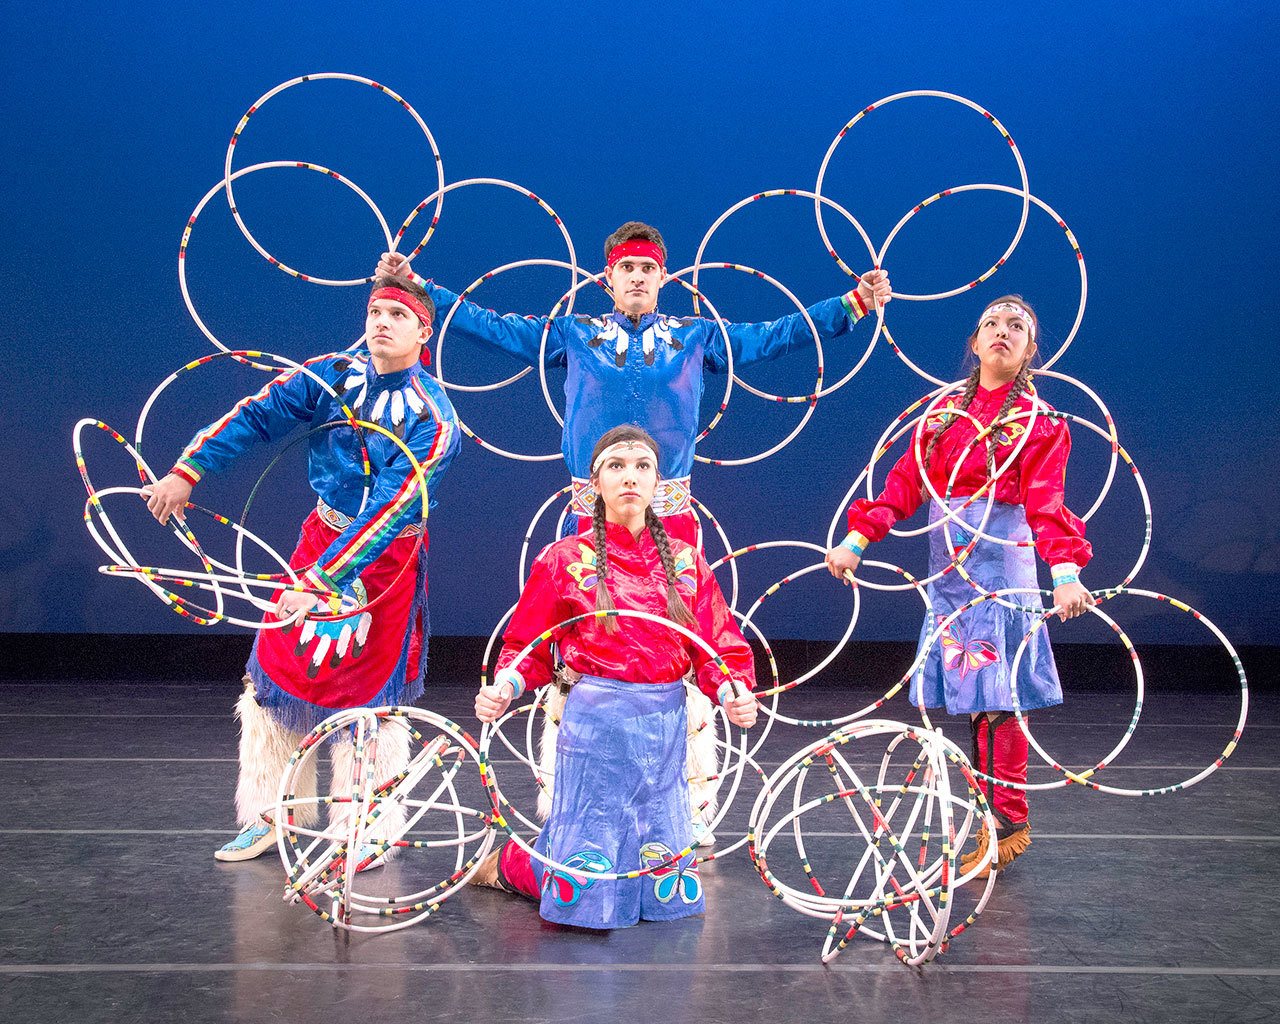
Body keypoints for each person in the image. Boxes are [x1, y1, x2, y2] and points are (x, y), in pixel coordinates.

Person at [142, 276, 460, 862]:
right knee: (272, 680)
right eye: (374, 311)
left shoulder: (436, 421)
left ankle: (366, 828)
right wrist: (189, 471)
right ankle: (271, 814)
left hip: (384, 562)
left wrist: (323, 582)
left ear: (424, 331)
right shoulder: (331, 373)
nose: (381, 322)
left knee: (367, 700)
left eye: (397, 313)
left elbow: (391, 510)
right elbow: (257, 414)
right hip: (320, 539)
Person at [378, 221, 891, 545]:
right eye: (627, 268)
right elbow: (492, 326)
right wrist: (420, 288)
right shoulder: (573, 333)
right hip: (591, 504)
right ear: (608, 278)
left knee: (672, 627)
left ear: (665, 278)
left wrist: (853, 303)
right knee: (588, 624)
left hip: (670, 503)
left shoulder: (697, 337)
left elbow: (777, 334)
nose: (638, 277)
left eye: (648, 267)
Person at [824, 296, 1095, 876]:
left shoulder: (1042, 425)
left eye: (1017, 326)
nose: (1003, 332)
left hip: (1001, 569)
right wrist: (857, 540)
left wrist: (1066, 573)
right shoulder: (942, 416)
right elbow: (903, 483)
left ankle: (1008, 821)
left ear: (1029, 348)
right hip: (949, 572)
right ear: (974, 343)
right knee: (976, 704)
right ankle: (991, 816)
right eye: (992, 324)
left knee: (998, 701)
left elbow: (1047, 504)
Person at [471, 425, 757, 928]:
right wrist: (505, 688)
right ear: (593, 486)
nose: (631, 477)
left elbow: (717, 646)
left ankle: (549, 866)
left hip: (663, 724)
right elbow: (528, 646)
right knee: (587, 858)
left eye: (643, 466)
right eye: (617, 467)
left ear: (659, 486)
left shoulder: (688, 564)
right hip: (594, 723)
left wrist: (734, 690)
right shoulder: (562, 560)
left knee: (660, 861)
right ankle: (510, 867)